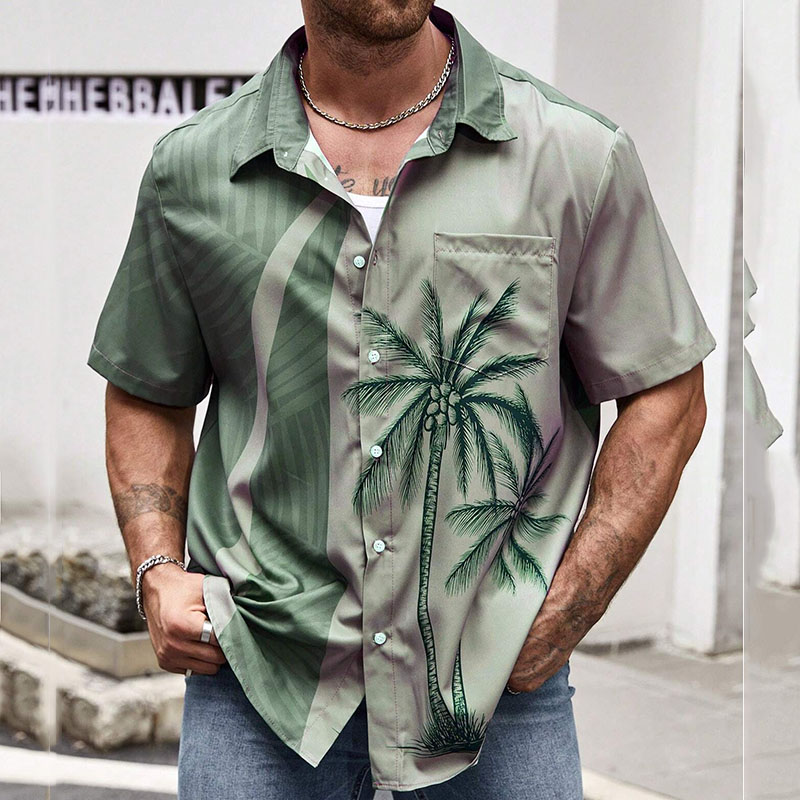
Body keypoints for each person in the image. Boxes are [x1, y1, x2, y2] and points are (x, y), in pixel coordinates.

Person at [87, 2, 716, 798]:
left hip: (491, 681)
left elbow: (666, 391)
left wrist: (571, 601)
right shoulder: (197, 168)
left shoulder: (572, 153)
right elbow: (148, 389)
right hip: (261, 667)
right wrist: (155, 567)